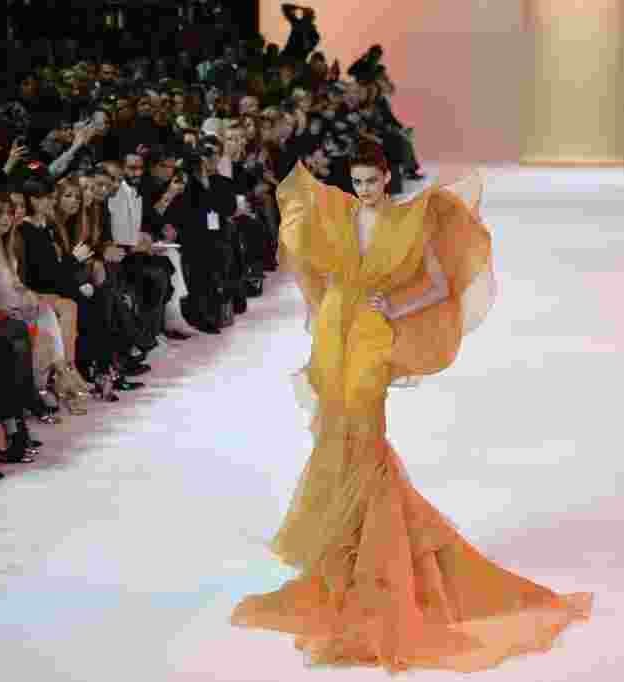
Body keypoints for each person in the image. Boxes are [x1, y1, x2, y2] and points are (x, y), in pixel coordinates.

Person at [230, 141, 591, 672]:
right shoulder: (341, 216)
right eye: (356, 182)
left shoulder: (407, 223)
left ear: (387, 178)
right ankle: (348, 555)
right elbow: (311, 254)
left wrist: (395, 305)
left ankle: (378, 561)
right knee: (336, 434)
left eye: (371, 182)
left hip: (376, 338)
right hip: (336, 331)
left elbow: (442, 285)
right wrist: (329, 302)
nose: (363, 191)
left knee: (365, 433)